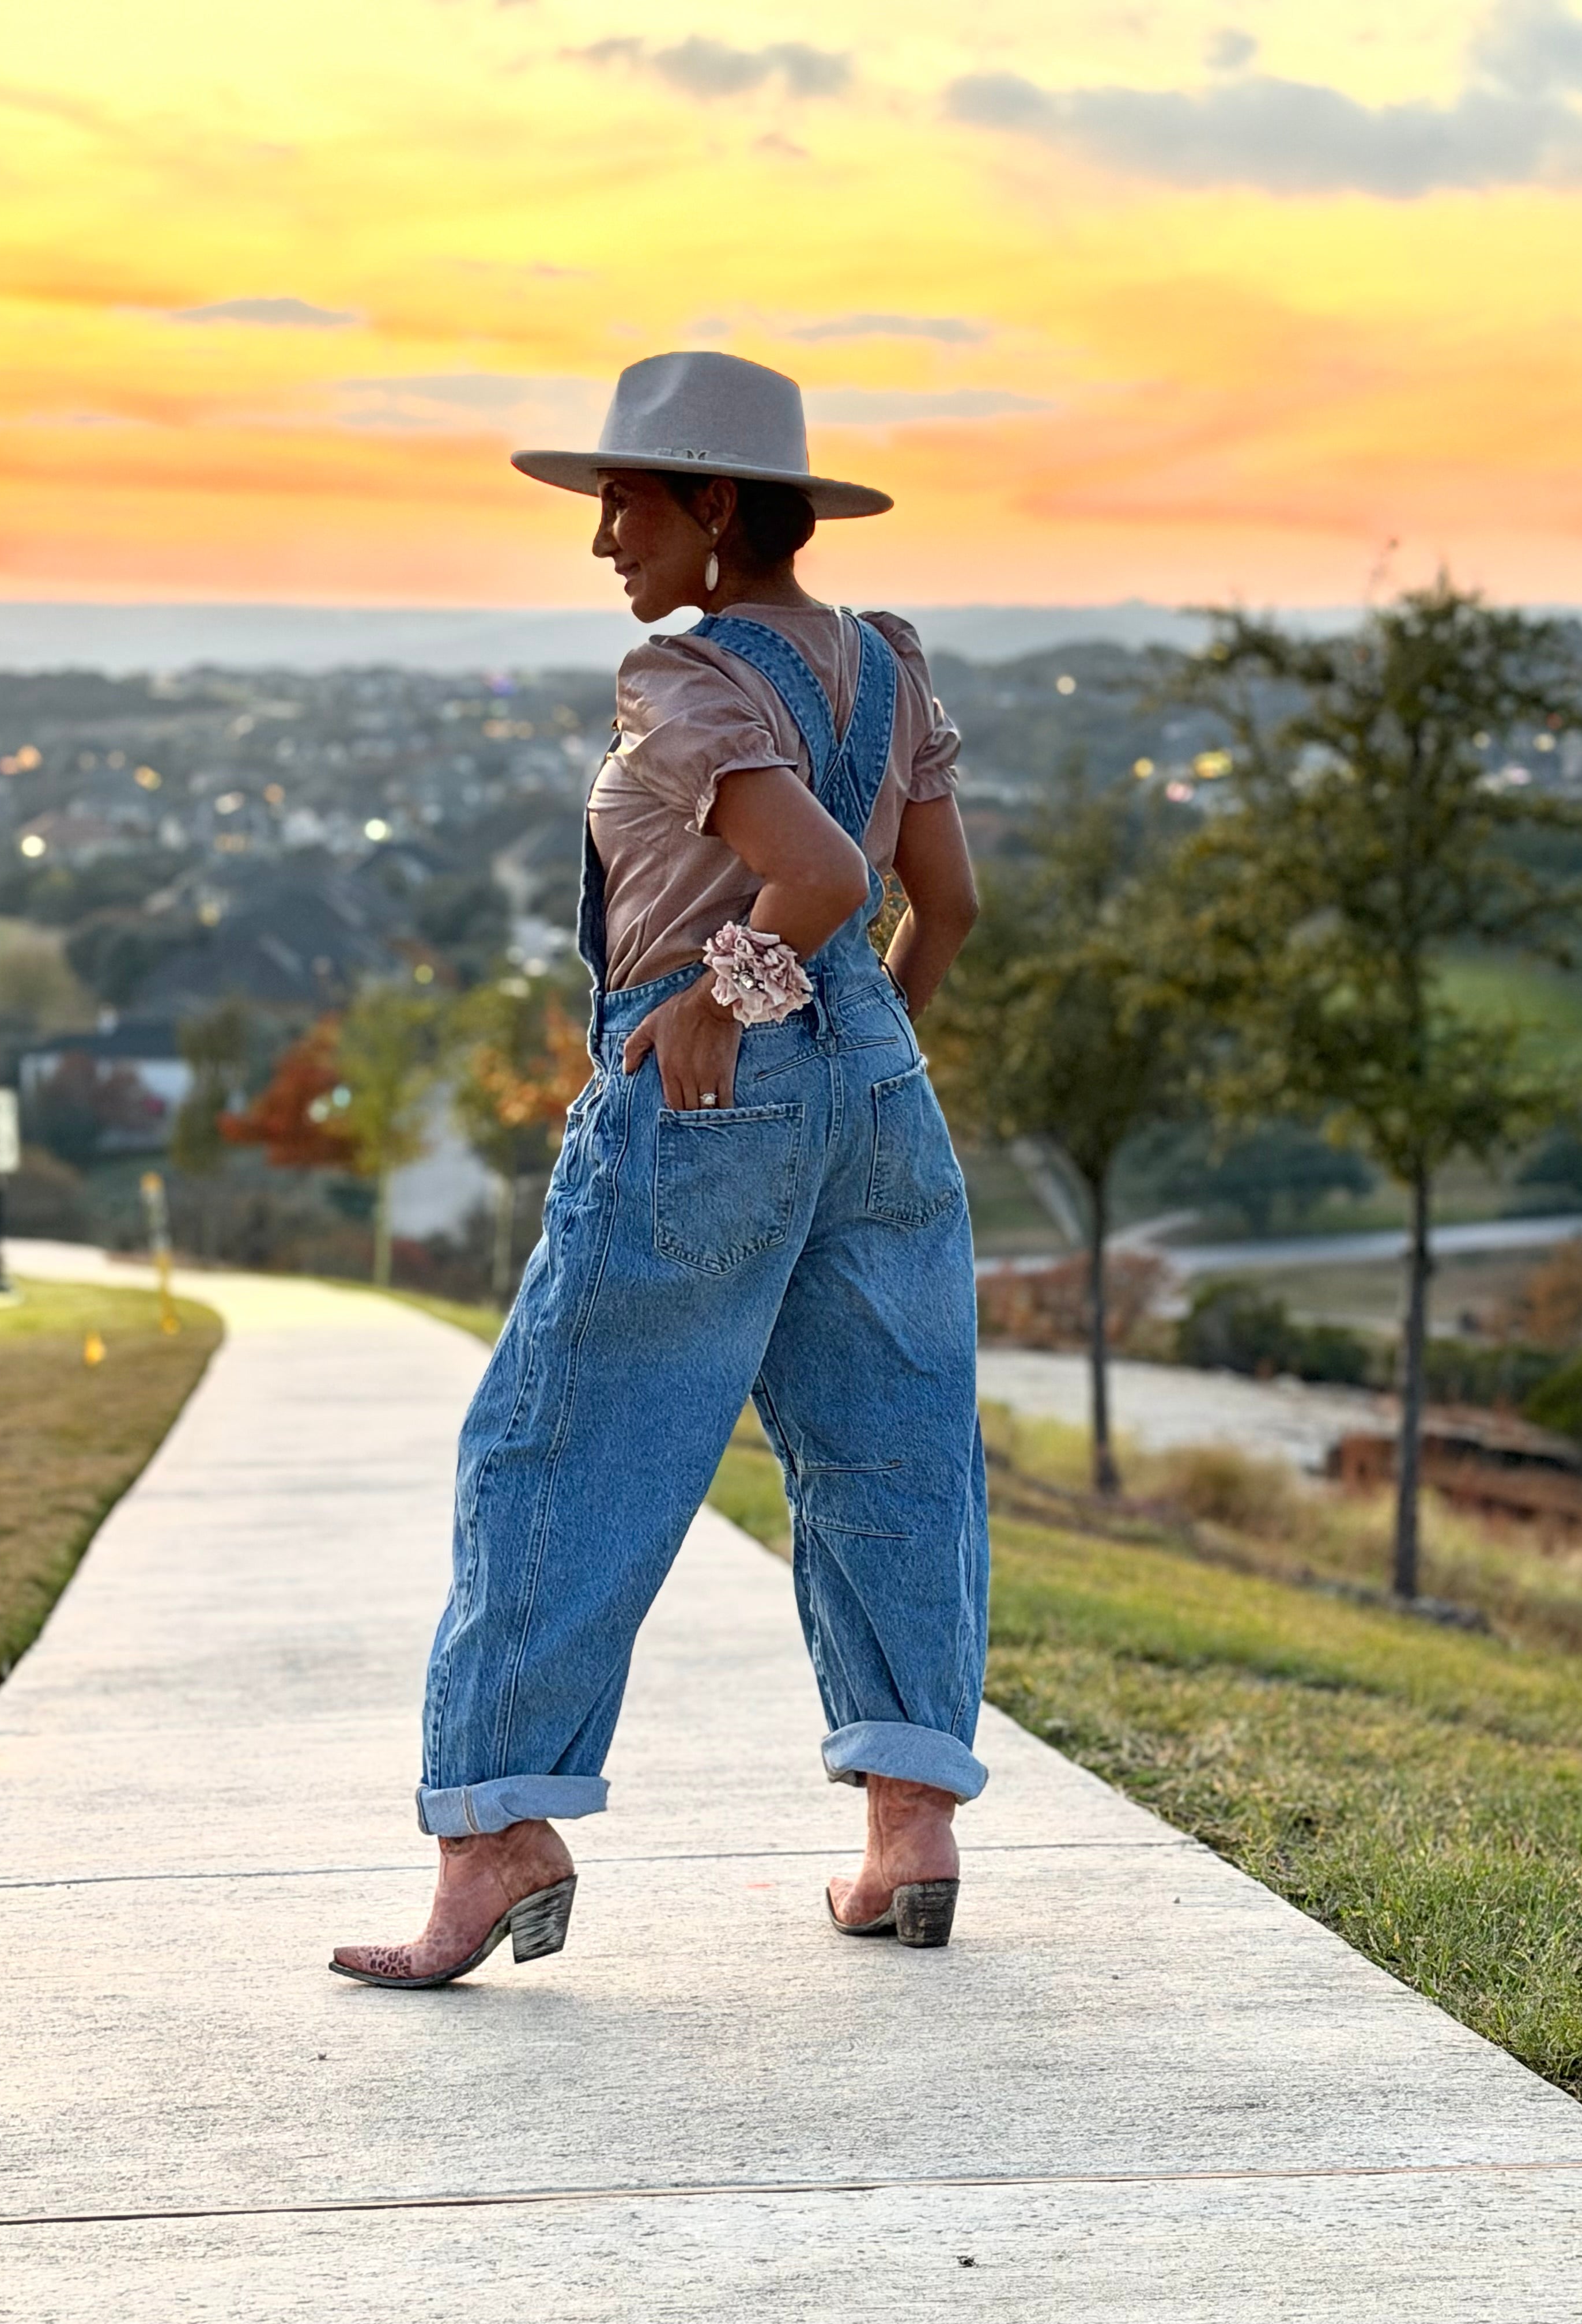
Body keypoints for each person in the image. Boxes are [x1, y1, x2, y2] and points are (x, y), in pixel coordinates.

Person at [332, 351, 989, 1987]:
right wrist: (856, 1059)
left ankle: (493, 1838)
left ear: (711, 503)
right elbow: (948, 905)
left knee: (560, 1443)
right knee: (890, 1444)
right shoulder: (886, 664)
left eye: (624, 501)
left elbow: (819, 874)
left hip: (708, 1089)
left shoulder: (683, 677)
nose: (602, 537)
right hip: (875, 1090)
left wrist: (724, 1003)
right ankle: (910, 1829)